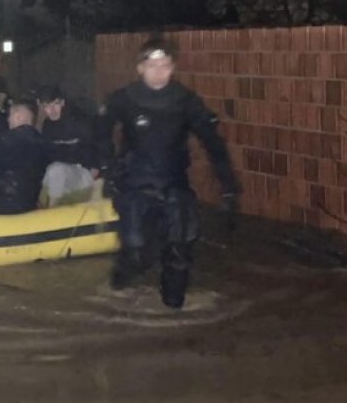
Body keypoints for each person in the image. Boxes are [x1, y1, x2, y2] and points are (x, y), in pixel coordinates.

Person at [96, 36, 239, 309]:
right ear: (140, 68)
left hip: (174, 185)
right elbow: (100, 128)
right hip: (135, 184)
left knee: (179, 252)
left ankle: (173, 314)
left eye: (165, 65)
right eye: (152, 65)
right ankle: (118, 285)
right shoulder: (124, 99)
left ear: (173, 68)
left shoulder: (185, 101)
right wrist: (107, 165)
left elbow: (212, 142)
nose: (159, 71)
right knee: (136, 252)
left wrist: (228, 185)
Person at [37, 85, 100, 205]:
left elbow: (93, 148)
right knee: (49, 173)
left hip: (82, 173)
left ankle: (53, 215)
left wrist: (95, 165)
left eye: (55, 104)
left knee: (56, 170)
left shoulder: (79, 121)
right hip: (58, 176)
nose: (51, 110)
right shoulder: (47, 126)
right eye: (46, 106)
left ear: (62, 103)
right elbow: (46, 155)